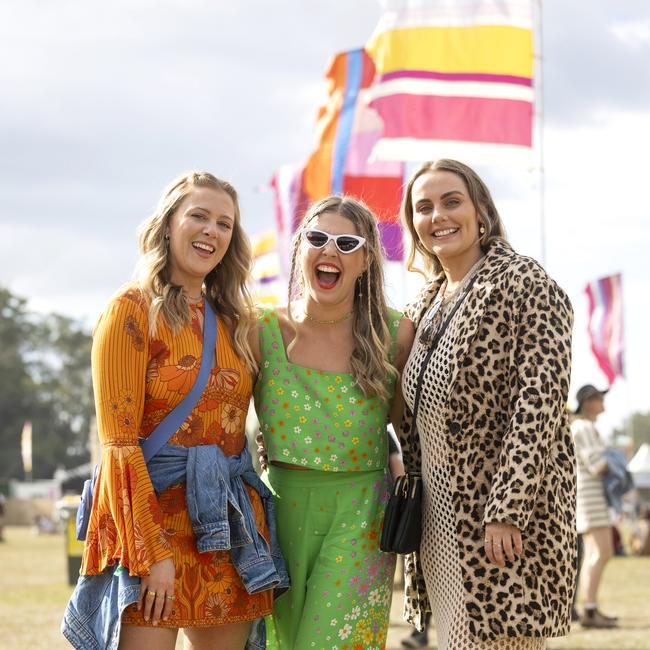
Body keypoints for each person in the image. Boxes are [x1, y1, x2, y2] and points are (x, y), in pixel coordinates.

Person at [63, 172, 286, 650]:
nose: (212, 231)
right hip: (150, 522)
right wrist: (151, 555)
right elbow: (120, 447)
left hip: (225, 524)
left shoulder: (236, 323)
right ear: (168, 225)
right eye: (199, 216)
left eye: (224, 223)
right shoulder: (131, 309)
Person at [397, 159, 577, 649]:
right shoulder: (424, 305)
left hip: (499, 523)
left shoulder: (524, 283)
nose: (438, 216)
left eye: (451, 201)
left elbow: (538, 404)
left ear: (481, 212)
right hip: (436, 524)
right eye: (424, 207)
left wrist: (507, 507)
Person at [250, 196, 414, 649]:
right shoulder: (258, 330)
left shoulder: (395, 334)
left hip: (361, 518)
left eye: (347, 243)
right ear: (299, 246)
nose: (330, 251)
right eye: (318, 238)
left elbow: (412, 434)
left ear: (366, 260)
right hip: (277, 515)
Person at [571, 384, 618, 628]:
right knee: (603, 551)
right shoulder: (585, 427)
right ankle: (589, 608)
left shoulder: (581, 426)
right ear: (588, 401)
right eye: (599, 398)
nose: (602, 402)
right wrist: (616, 463)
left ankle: (590, 607)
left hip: (587, 497)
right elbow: (595, 464)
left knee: (594, 554)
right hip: (591, 498)